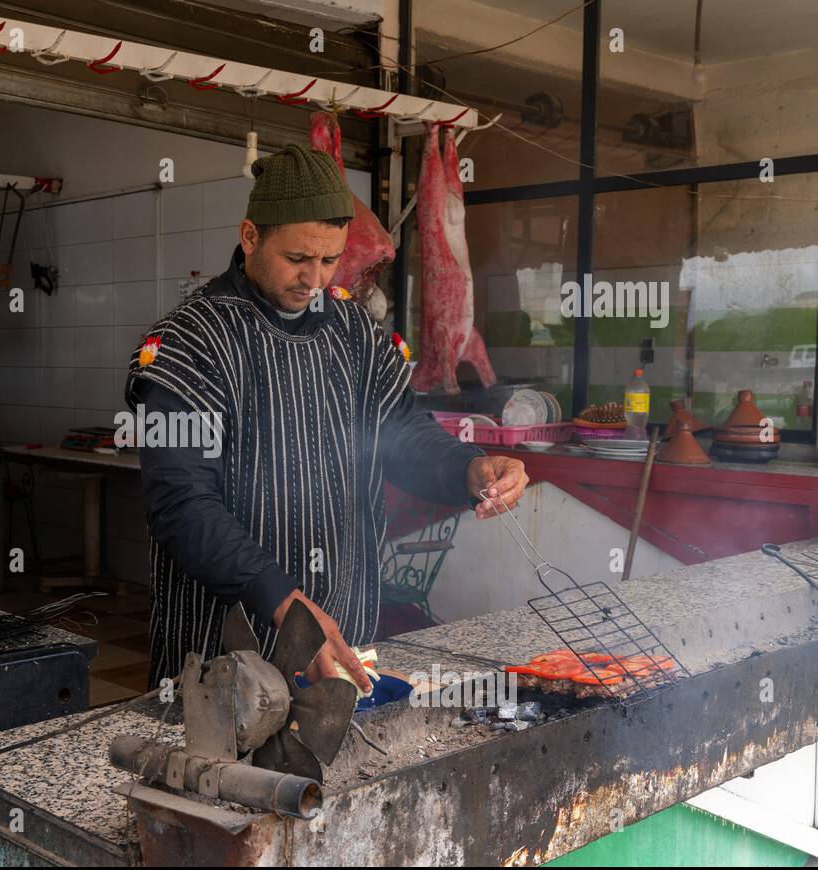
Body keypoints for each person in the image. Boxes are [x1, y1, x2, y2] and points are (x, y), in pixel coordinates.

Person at [125, 143, 529, 692]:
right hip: (221, 657)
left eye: (330, 260)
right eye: (297, 258)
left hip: (341, 646)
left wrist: (469, 469)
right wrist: (282, 600)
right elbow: (180, 505)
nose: (314, 279)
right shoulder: (189, 341)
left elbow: (401, 433)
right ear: (250, 238)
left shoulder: (355, 333)